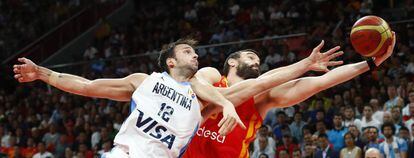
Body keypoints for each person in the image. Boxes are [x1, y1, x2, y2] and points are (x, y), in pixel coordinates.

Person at [13, 38, 245, 157]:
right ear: (170, 62)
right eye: (187, 51)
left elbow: (257, 85)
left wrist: (226, 103)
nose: (195, 54)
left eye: (195, 52)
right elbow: (88, 86)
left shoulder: (201, 97)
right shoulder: (145, 81)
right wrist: (42, 73)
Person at [184, 33, 396, 157]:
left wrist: (371, 63)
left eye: (258, 60)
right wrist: (225, 102)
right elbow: (195, 86)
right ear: (231, 62)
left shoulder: (261, 99)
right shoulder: (212, 75)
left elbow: (321, 82)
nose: (256, 61)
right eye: (250, 57)